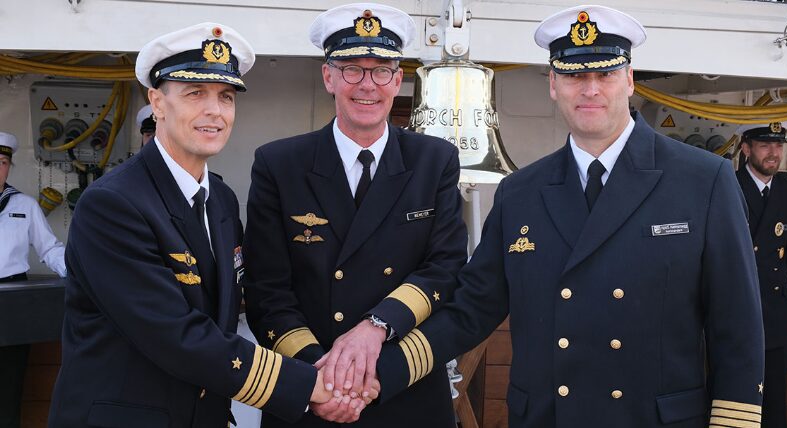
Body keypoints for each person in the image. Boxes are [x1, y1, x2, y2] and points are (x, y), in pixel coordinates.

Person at [374, 5, 766, 427]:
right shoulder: (519, 193)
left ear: (629, 80)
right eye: (575, 75)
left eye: (605, 74)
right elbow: (471, 308)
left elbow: (737, 326)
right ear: (554, 85)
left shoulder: (703, 180)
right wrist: (377, 373)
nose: (590, 89)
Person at [48, 23, 341, 428]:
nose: (214, 111)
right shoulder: (113, 205)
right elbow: (175, 335)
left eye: (225, 97)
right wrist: (308, 386)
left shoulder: (220, 200)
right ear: (158, 103)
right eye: (194, 93)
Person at [243, 3, 467, 426]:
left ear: (398, 80)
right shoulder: (279, 164)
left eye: (381, 69)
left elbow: (445, 269)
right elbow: (267, 290)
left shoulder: (434, 161)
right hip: (313, 392)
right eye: (352, 69)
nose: (368, 85)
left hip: (406, 391)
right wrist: (326, 377)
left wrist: (376, 326)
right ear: (328, 77)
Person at [736, 122, 787, 428]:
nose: (773, 153)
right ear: (746, 148)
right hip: (734, 312)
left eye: (779, 146)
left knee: (774, 400)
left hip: (776, 315)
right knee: (732, 399)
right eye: (764, 146)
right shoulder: (726, 185)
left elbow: (785, 256)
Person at [0, 132, 66, 428]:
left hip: (13, 302)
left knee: (10, 384)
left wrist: (79, 272)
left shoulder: (24, 205)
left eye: (3, 161)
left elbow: (50, 249)